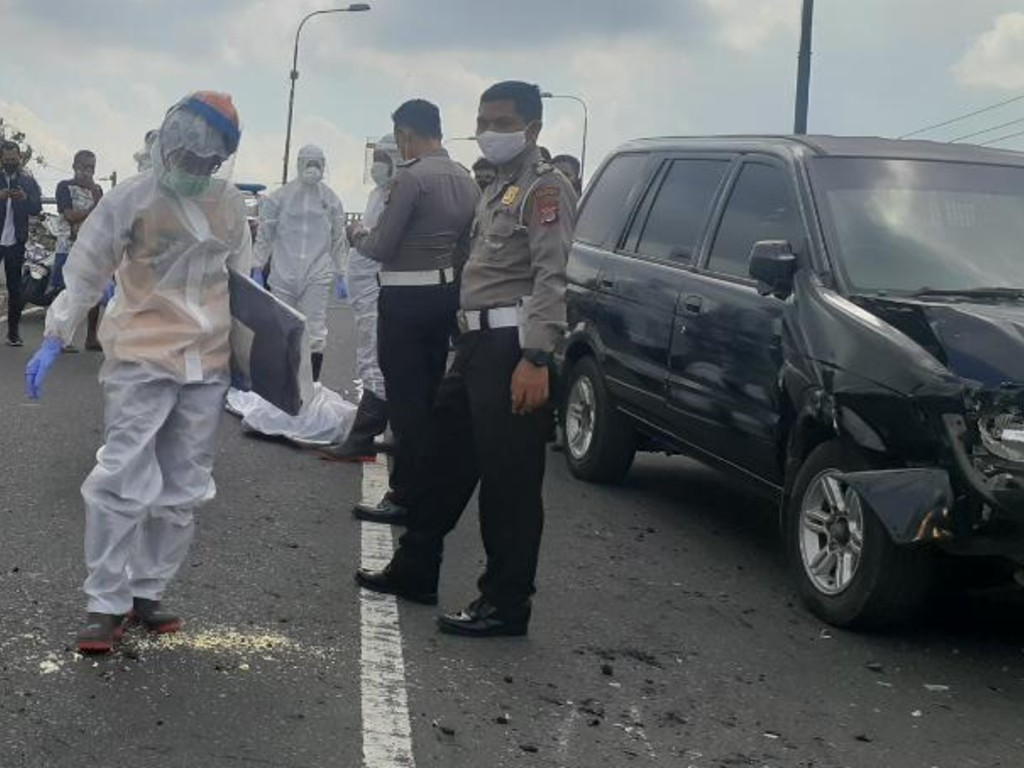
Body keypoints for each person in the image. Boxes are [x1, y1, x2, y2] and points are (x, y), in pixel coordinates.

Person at [25, 91, 250, 654]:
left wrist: (252, 356)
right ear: (170, 145)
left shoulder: (229, 205)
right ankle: (105, 602)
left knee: (184, 485)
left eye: (211, 163)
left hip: (208, 360)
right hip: (142, 356)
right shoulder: (131, 197)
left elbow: (245, 283)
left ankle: (146, 591)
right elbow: (86, 267)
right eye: (192, 159)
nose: (200, 171)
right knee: (122, 475)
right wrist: (56, 333)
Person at [355, 81, 578, 637]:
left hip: (513, 349)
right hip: (475, 347)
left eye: (501, 122)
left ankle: (504, 603)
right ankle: (415, 569)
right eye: (482, 120)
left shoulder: (544, 190)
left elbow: (552, 276)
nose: (489, 131)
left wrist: (536, 356)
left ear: (532, 130)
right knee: (439, 462)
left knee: (509, 484)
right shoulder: (495, 186)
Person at [348, 99, 479, 524]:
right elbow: (466, 245)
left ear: (406, 134)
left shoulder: (411, 179)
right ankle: (425, 488)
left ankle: (406, 494)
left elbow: (382, 247)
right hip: (443, 296)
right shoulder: (465, 179)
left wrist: (357, 235)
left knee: (406, 404)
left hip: (403, 299)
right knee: (427, 396)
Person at [320, 134, 401, 460]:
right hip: (366, 289)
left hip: (379, 288)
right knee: (377, 357)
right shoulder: (377, 194)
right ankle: (392, 433)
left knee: (375, 359)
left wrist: (358, 235)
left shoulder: (396, 196)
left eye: (384, 157)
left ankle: (363, 438)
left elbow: (379, 240)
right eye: (376, 157)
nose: (378, 164)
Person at [253, 144, 346, 382]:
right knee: (282, 329)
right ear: (299, 164)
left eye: (317, 164)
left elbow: (338, 238)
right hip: (283, 273)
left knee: (314, 332)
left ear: (324, 166)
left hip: (317, 273)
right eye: (309, 163)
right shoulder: (280, 198)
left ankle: (310, 387)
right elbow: (266, 233)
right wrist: (257, 265)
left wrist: (342, 272)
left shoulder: (331, 200)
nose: (313, 169)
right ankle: (281, 388)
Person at [53, 150, 104, 351]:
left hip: (91, 249)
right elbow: (70, 216)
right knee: (67, 294)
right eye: (83, 167)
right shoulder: (64, 187)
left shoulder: (97, 190)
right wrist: (93, 208)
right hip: (68, 248)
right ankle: (62, 338)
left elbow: (103, 218)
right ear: (75, 166)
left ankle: (91, 338)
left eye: (91, 167)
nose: (87, 172)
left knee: (95, 293)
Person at [0, 140, 43, 346]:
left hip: (16, 241)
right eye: (7, 159)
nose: (10, 162)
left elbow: (37, 208)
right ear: (1, 159)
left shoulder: (28, 181)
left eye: (13, 159)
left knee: (15, 289)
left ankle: (13, 334)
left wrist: (24, 198)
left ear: (20, 158)